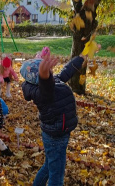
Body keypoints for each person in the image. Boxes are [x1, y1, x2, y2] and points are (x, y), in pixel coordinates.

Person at [20, 54, 86, 185]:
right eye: (47, 72)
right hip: (56, 136)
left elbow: (66, 73)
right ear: (38, 78)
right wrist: (44, 76)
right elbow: (46, 87)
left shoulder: (50, 82)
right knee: (56, 176)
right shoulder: (42, 92)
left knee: (49, 166)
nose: (51, 73)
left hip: (55, 132)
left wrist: (80, 58)